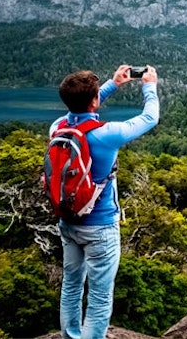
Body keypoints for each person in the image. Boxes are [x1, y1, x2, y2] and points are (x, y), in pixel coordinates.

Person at [51, 64, 159, 339]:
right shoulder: (108, 134)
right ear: (95, 101)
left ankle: (71, 335)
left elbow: (79, 110)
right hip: (100, 226)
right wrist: (149, 86)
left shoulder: (57, 128)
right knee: (99, 296)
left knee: (72, 285)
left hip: (68, 220)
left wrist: (112, 84)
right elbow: (149, 118)